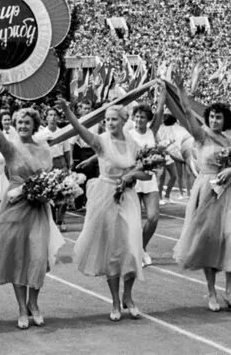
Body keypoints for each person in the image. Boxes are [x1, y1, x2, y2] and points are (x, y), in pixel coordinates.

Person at [0, 74, 64, 330]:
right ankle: (21, 307)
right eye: (19, 122)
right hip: (15, 207)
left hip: (38, 208)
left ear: (34, 124)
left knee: (38, 258)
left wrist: (49, 192)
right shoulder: (10, 148)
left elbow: (50, 180)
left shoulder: (44, 149)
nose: (22, 126)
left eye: (27, 122)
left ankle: (34, 303)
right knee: (18, 258)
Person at [58, 98, 146, 322]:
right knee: (113, 252)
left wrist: (132, 176)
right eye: (107, 119)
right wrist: (68, 111)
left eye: (114, 119)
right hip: (106, 196)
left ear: (124, 120)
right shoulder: (100, 141)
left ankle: (128, 295)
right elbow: (78, 129)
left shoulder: (133, 143)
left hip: (128, 198)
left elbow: (146, 171)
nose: (109, 122)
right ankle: (115, 302)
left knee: (133, 248)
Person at [172, 72, 231, 313]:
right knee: (209, 242)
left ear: (225, 120)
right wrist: (181, 89)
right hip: (205, 191)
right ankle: (211, 292)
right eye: (212, 116)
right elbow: (184, 110)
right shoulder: (201, 136)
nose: (214, 120)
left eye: (219, 117)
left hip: (226, 195)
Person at [128, 91, 165, 267]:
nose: (139, 119)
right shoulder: (127, 135)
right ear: (133, 118)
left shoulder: (152, 131)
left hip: (149, 180)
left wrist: (163, 91)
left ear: (148, 119)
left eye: (143, 117)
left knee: (153, 217)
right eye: (137, 116)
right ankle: (137, 252)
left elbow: (160, 109)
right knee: (134, 221)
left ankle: (142, 248)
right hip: (133, 181)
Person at [35, 107, 72, 231]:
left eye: (54, 115)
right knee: (49, 193)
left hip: (60, 163)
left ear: (58, 117)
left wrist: (69, 165)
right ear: (46, 118)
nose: (52, 117)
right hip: (47, 164)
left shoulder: (63, 132)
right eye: (50, 115)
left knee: (65, 192)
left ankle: (60, 220)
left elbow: (67, 151)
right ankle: (51, 220)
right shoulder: (41, 134)